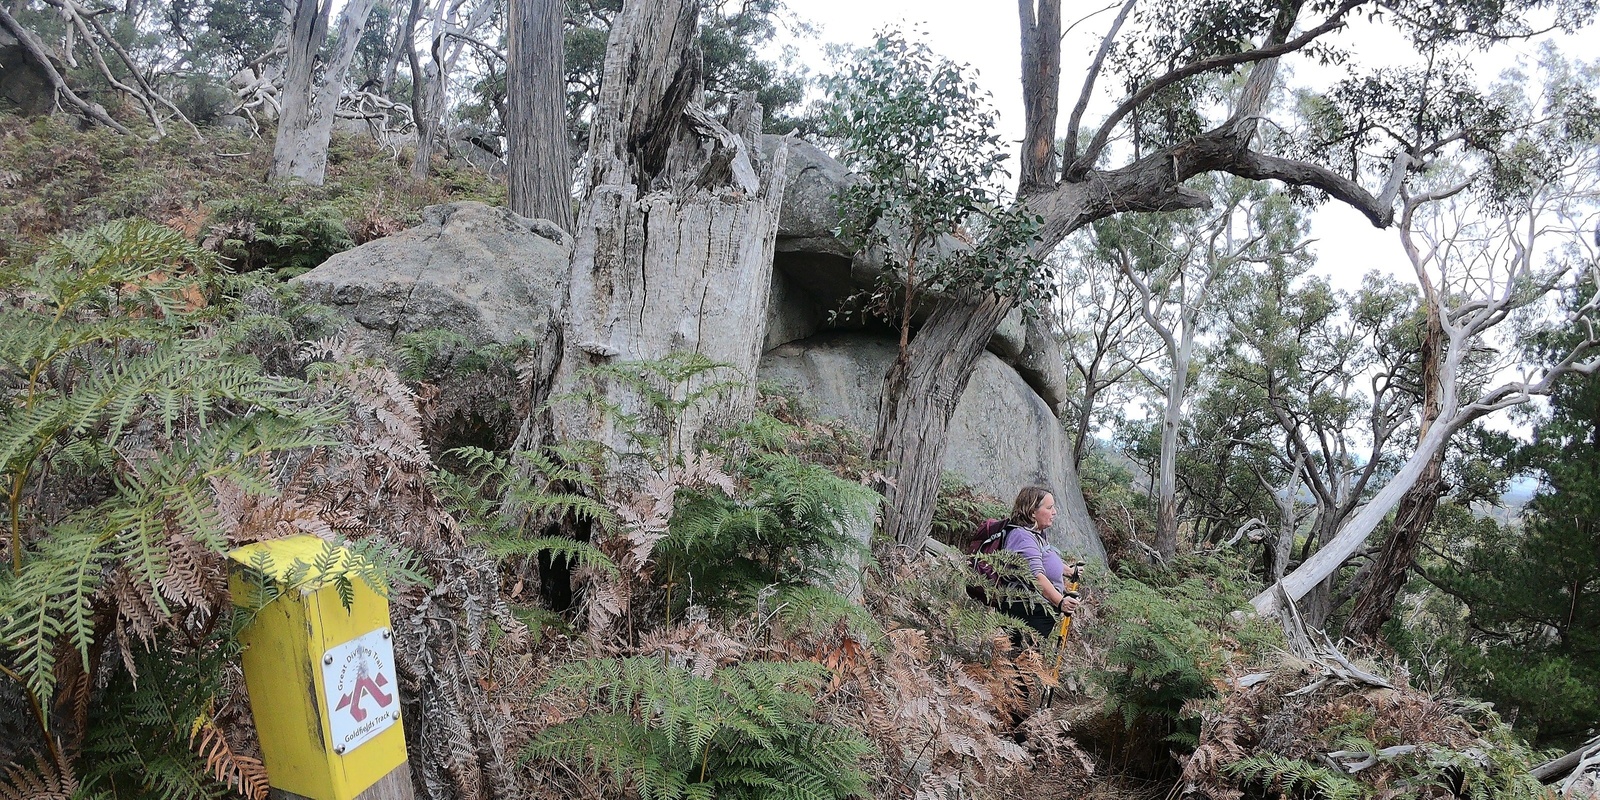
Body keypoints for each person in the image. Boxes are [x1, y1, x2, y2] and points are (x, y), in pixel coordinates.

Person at [997, 486, 1081, 640]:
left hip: (1035, 609)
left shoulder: (1036, 533)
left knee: (1027, 657)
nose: (1054, 512)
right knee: (1022, 658)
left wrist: (1067, 571)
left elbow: (1044, 558)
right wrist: (1060, 601)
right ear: (1032, 512)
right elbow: (1036, 577)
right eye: (1049, 508)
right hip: (1027, 610)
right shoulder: (1023, 538)